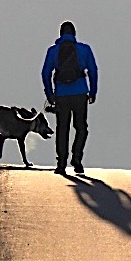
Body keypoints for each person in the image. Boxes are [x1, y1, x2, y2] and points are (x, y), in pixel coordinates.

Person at [41, 20, 98, 175]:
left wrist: (50, 94)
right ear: (74, 34)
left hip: (61, 95)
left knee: (62, 128)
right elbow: (93, 70)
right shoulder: (84, 50)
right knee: (81, 127)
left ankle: (61, 164)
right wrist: (93, 92)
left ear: (60, 34)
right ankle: (77, 158)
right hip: (80, 93)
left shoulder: (53, 51)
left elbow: (45, 73)